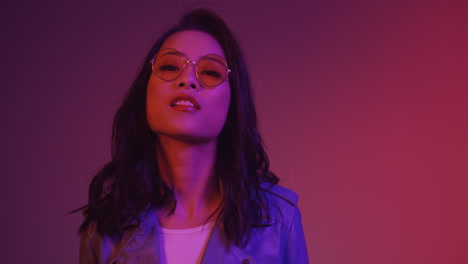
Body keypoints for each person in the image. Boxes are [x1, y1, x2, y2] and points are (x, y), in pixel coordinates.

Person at [78, 8, 309, 264]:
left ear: (233, 101)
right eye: (168, 66)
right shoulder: (105, 228)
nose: (187, 79)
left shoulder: (278, 221)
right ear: (145, 92)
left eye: (210, 72)